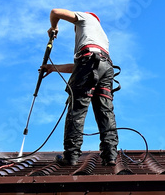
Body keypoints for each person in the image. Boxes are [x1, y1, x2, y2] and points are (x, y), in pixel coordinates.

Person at [41, 9, 118, 166]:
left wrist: (54, 28)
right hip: (106, 67)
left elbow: (55, 12)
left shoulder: (87, 18)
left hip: (88, 63)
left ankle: (71, 156)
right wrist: (53, 68)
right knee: (105, 112)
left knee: (77, 109)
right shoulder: (101, 37)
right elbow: (85, 64)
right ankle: (110, 156)